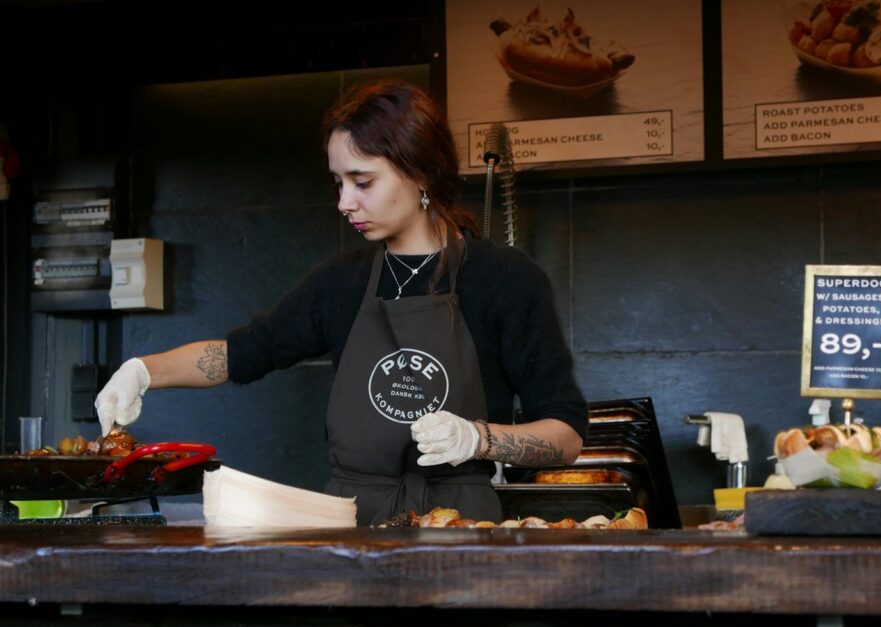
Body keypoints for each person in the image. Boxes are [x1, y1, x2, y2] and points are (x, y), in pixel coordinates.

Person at [94, 79, 587, 526]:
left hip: (459, 531)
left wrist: (480, 439)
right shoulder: (340, 284)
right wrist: (142, 371)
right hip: (354, 528)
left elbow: (566, 436)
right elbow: (243, 352)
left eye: (363, 181)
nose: (344, 201)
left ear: (421, 173)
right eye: (338, 182)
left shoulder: (504, 280)